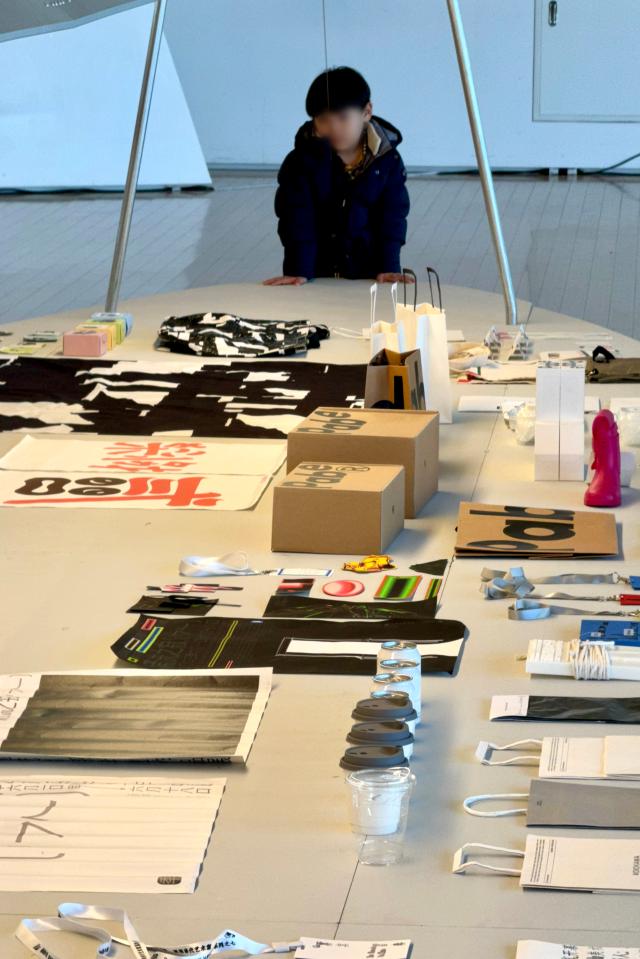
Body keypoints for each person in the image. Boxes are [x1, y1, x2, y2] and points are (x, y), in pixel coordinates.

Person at [264, 66, 411, 287]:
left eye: (343, 117)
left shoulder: (388, 160)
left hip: (369, 276)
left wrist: (388, 267)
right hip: (316, 275)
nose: (333, 127)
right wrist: (299, 270)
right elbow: (296, 220)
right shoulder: (300, 163)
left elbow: (392, 218)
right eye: (323, 119)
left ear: (366, 112)